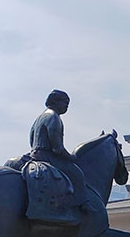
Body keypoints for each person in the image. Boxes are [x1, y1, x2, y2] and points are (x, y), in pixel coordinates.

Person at [26, 89, 88, 226]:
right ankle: (82, 205)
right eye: (65, 102)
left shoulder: (40, 117)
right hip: (47, 156)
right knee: (77, 173)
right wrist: (71, 157)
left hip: (34, 154)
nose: (67, 106)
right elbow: (57, 148)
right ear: (55, 101)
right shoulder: (53, 117)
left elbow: (31, 139)